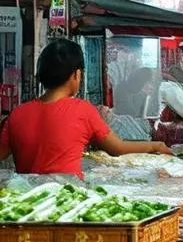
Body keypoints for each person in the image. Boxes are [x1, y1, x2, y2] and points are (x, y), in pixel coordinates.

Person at [0, 39, 171, 177]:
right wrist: (155, 146)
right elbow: (117, 148)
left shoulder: (17, 114)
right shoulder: (82, 110)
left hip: (24, 203)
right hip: (67, 200)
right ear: (76, 74)